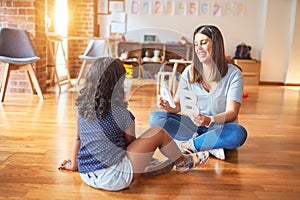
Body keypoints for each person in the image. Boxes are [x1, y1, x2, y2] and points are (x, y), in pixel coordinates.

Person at [58, 57, 209, 191]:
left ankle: (153, 166)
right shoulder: (122, 114)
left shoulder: (82, 109)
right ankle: (183, 162)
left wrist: (73, 166)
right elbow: (130, 146)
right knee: (158, 132)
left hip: (87, 173)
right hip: (114, 178)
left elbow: (78, 139)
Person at [149, 25, 248, 160]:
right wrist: (169, 107)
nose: (199, 48)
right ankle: (208, 146)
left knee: (238, 133)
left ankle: (190, 145)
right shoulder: (189, 71)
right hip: (194, 126)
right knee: (156, 118)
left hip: (219, 128)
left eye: (204, 43)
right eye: (196, 44)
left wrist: (209, 120)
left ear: (216, 45)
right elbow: (178, 104)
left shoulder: (234, 74)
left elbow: (232, 113)